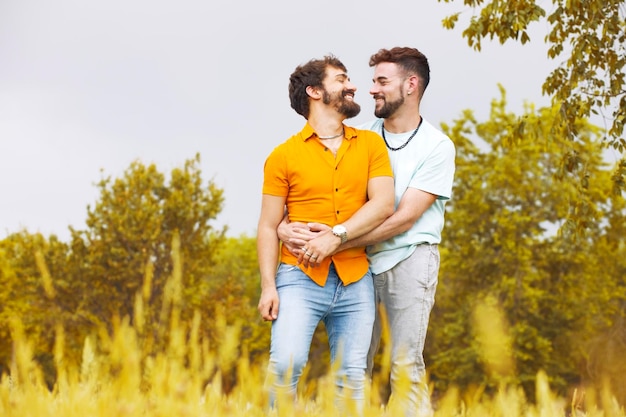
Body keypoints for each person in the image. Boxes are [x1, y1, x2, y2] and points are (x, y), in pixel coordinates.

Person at [278, 47, 456, 417]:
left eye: (381, 81)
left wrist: (334, 239)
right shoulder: (362, 137)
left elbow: (402, 218)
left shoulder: (437, 147)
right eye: (373, 80)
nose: (371, 88)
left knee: (405, 362)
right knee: (353, 364)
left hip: (408, 260)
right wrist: (284, 227)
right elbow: (319, 193)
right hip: (357, 266)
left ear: (411, 85)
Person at [256, 54, 395, 413]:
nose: (351, 86)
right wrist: (268, 286)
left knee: (351, 377)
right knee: (286, 365)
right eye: (341, 79)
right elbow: (269, 226)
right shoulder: (282, 156)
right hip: (297, 277)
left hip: (355, 278)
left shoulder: (369, 145)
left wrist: (336, 235)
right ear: (315, 91)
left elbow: (383, 204)